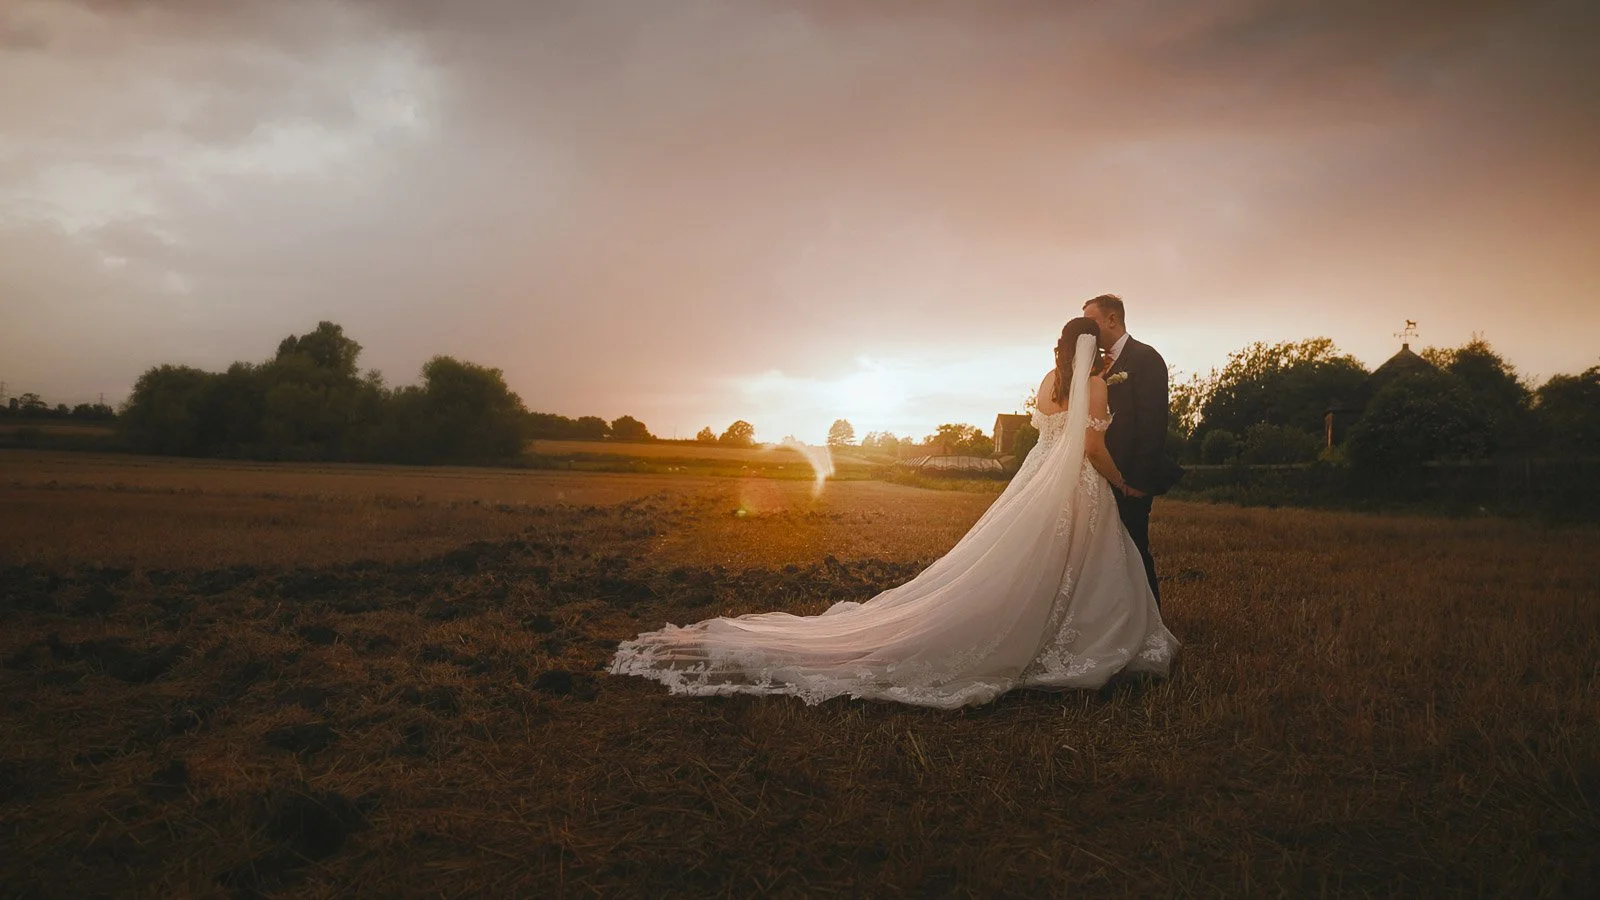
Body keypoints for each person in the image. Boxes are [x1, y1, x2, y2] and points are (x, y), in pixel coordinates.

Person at [608, 318, 1177, 709]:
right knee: (1081, 564)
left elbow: (1046, 436)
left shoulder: (1048, 384)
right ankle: (1074, 643)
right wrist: (1123, 483)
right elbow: (1091, 449)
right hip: (1079, 485)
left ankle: (1052, 632)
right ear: (1093, 351)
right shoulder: (1096, 386)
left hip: (1037, 484)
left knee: (1034, 563)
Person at [1080, 294, 1179, 606]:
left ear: (1112, 319)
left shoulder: (1145, 358)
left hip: (1130, 479)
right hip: (1099, 474)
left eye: (1091, 322)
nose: (1088, 331)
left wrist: (1135, 482)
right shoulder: (1094, 365)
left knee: (1135, 549)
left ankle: (1152, 621)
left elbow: (1153, 425)